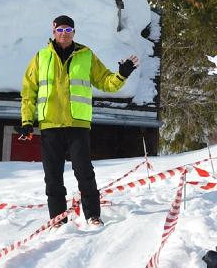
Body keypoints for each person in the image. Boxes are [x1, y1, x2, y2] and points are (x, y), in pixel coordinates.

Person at [17, 15, 139, 227]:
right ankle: (58, 220)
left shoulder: (86, 55)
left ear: (74, 32)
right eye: (60, 30)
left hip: (78, 124)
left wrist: (121, 75)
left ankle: (93, 216)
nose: (64, 34)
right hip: (50, 125)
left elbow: (106, 82)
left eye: (68, 30)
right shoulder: (41, 57)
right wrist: (27, 121)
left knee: (84, 172)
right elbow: (29, 92)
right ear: (53, 32)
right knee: (52, 177)